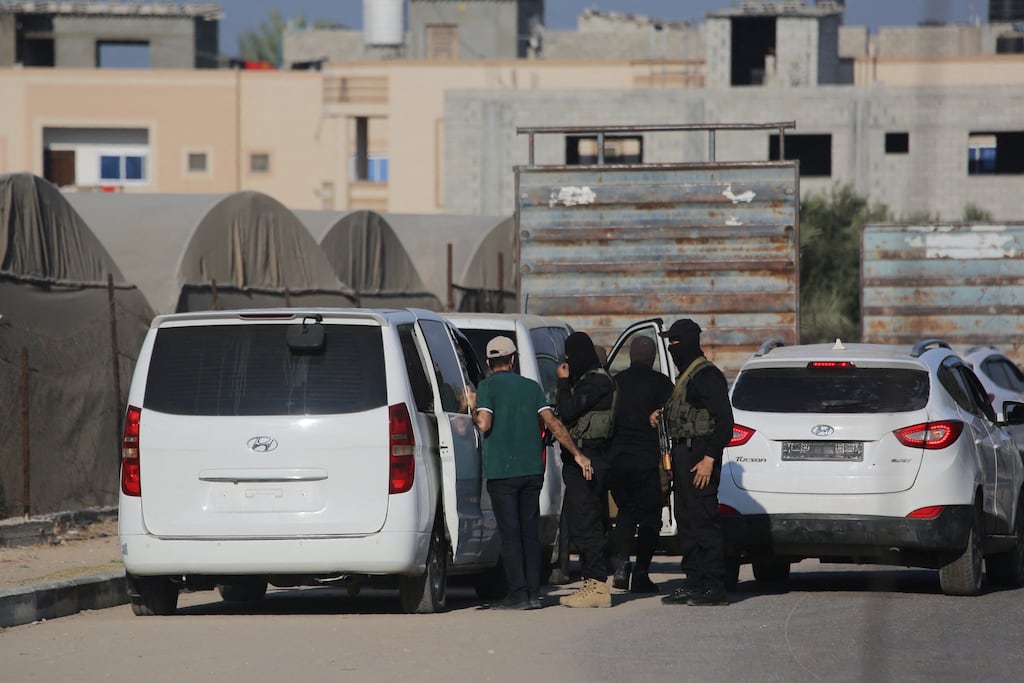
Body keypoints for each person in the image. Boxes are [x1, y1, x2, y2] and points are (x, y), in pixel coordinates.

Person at [469, 335, 592, 610]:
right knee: (529, 532)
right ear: (513, 360)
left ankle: (518, 593)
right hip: (532, 471)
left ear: (488, 362)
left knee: (510, 534)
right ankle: (534, 593)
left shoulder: (486, 387)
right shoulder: (531, 387)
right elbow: (553, 423)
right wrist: (577, 453)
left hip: (502, 472)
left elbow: (484, 424)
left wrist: (472, 405)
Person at [653, 319, 735, 607]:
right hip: (684, 455)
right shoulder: (686, 376)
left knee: (704, 521)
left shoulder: (706, 376)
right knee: (687, 521)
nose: (672, 348)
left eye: (675, 342)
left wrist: (709, 459)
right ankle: (694, 582)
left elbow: (725, 423)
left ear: (687, 342)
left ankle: (714, 586)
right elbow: (686, 411)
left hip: (700, 456)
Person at [607, 335, 674, 594]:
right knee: (650, 517)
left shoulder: (616, 382)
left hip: (618, 460)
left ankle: (622, 564)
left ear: (630, 356)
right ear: (653, 357)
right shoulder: (661, 383)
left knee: (626, 512)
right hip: (647, 461)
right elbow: (675, 412)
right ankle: (642, 573)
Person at [555, 331, 617, 608]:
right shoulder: (589, 381)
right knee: (581, 520)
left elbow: (568, 411)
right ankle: (591, 581)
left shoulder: (597, 382)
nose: (568, 363)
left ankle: (597, 585)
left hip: (590, 459)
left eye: (570, 357)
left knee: (587, 521)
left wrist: (561, 382)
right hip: (585, 458)